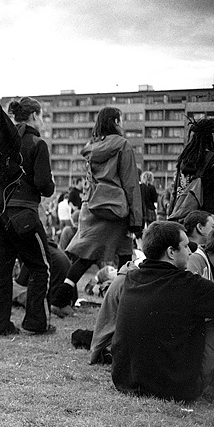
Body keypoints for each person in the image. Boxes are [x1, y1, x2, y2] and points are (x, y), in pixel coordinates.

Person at [111, 221, 214, 403]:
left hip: (126, 380)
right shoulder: (186, 284)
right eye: (185, 246)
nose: (190, 252)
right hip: (173, 387)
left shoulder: (132, 278)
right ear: (171, 252)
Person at [0, 97, 56, 335]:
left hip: (1, 212)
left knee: (0, 269)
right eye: (42, 116)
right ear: (35, 116)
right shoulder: (37, 143)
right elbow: (43, 184)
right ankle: (36, 323)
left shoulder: (2, 141)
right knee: (41, 267)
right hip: (25, 213)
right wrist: (50, 186)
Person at [61, 107, 142, 307]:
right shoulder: (123, 146)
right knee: (124, 255)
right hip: (116, 209)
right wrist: (136, 220)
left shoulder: (92, 148)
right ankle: (123, 302)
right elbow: (131, 183)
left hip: (92, 207)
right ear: (115, 121)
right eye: (120, 121)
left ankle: (59, 297)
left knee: (87, 255)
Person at [170, 117, 214, 225]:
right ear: (212, 135)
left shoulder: (184, 159)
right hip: (206, 220)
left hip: (184, 218)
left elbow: (174, 193)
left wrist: (171, 216)